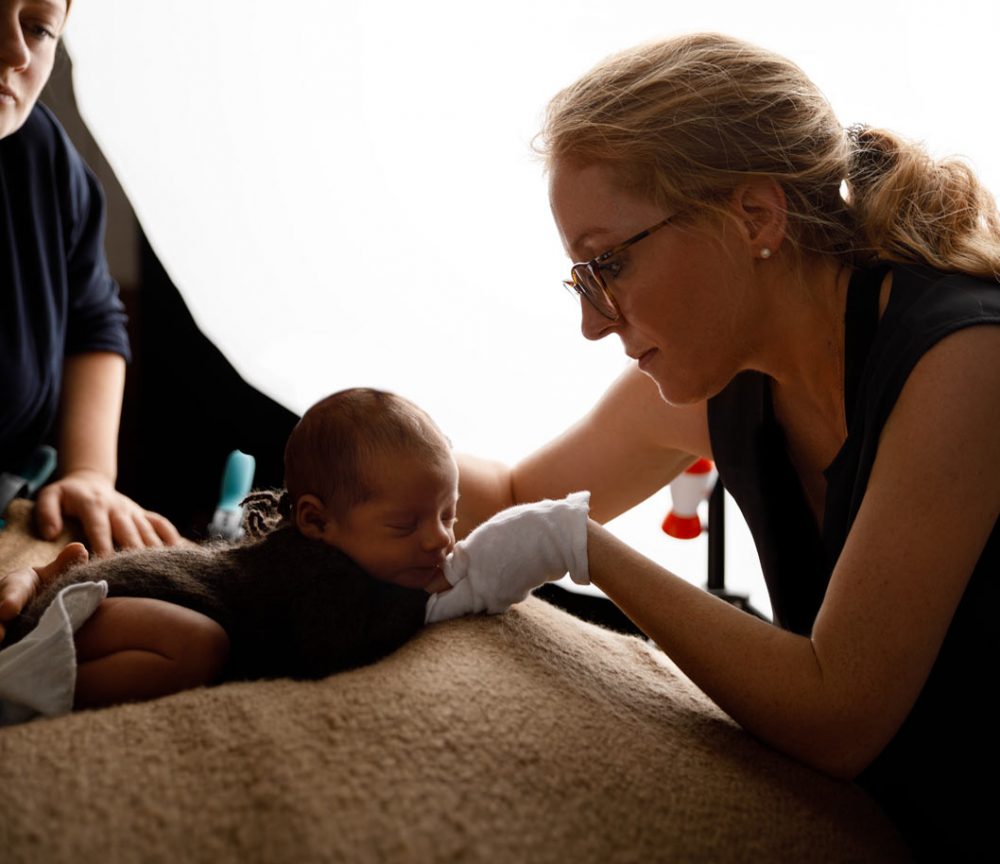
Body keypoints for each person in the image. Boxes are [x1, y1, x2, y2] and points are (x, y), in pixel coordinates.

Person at [454, 34, 999, 859]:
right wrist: (313, 482)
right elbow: (507, 497)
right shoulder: (719, 382)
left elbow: (839, 715)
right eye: (581, 278)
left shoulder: (967, 361)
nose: (592, 322)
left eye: (607, 264)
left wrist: (580, 546)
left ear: (755, 217)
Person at [0, 388, 589, 713]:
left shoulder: (342, 546)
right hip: (108, 604)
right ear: (317, 521)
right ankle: (29, 683)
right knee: (198, 645)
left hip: (113, 598)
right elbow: (329, 648)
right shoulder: (316, 575)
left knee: (203, 639)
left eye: (448, 516)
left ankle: (39, 603)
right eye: (406, 525)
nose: (438, 539)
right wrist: (439, 598)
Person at [0, 0, 179, 554]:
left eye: (38, 27)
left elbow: (92, 319)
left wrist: (90, 475)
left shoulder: (44, 157)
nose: (15, 52)